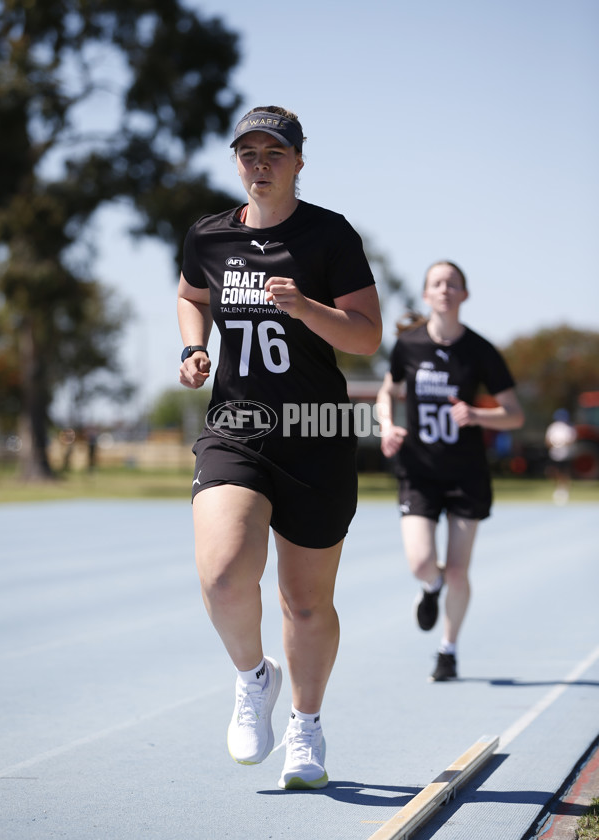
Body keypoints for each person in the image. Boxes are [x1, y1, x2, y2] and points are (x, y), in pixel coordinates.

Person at [177, 106, 382, 789]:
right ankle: (252, 677)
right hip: (236, 426)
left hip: (317, 436)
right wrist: (192, 346)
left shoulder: (329, 235)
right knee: (223, 571)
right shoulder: (208, 236)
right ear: (236, 161)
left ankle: (306, 725)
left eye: (275, 152)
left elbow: (366, 336)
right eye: (249, 152)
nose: (260, 163)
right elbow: (190, 295)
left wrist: (307, 309)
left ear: (298, 161)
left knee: (303, 602)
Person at [376, 261, 524, 682]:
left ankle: (448, 650)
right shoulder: (409, 346)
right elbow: (388, 391)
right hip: (419, 470)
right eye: (436, 283)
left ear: (464, 294)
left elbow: (514, 415)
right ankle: (430, 588)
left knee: (459, 570)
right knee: (423, 562)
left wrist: (477, 414)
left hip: (465, 474)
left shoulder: (480, 350)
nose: (444, 289)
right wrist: (387, 425)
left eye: (452, 284)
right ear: (426, 294)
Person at [545, 409, 577, 505]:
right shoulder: (553, 427)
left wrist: (563, 444)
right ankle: (558, 488)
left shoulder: (569, 428)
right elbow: (547, 440)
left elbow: (572, 440)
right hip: (554, 453)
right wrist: (554, 444)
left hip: (565, 453)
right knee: (553, 471)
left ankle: (564, 490)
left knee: (565, 472)